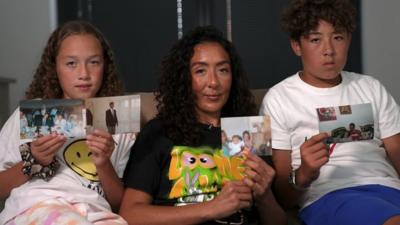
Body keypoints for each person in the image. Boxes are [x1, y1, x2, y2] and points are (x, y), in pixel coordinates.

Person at [120, 26, 287, 225]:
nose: (214, 82)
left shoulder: (248, 131)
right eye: (200, 71)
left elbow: (279, 222)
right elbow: (130, 214)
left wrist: (264, 194)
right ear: (184, 78)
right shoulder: (159, 132)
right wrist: (211, 208)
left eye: (223, 70)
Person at [260, 0, 400, 225]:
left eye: (338, 37)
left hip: (389, 188)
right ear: (296, 45)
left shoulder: (371, 87)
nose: (328, 50)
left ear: (348, 40)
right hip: (330, 195)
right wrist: (305, 171)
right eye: (315, 40)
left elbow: (396, 150)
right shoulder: (278, 99)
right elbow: (283, 196)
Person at [0, 20, 134, 224]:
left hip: (97, 213)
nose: (84, 74)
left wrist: (103, 163)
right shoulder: (31, 115)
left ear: (105, 66)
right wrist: (34, 160)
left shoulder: (118, 122)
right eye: (71, 63)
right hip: (37, 207)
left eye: (94, 62)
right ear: (55, 67)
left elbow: (118, 203)